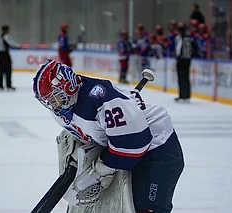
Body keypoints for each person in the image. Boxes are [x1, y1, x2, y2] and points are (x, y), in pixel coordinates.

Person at [32, 59, 185, 213]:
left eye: (54, 96)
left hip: (158, 150)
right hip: (129, 152)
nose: (52, 103)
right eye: (47, 100)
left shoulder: (100, 99)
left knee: (147, 209)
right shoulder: (62, 108)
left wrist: (100, 172)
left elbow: (135, 143)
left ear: (68, 87)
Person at [175, 23, 199, 102]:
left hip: (185, 59)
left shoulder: (188, 39)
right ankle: (182, 95)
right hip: (180, 59)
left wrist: (191, 55)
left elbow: (195, 48)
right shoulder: (178, 38)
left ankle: (186, 95)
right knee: (180, 77)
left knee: (185, 77)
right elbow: (177, 48)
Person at [0, 25, 21, 91]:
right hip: (4, 55)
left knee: (1, 70)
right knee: (8, 70)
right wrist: (19, 47)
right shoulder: (6, 36)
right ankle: (8, 85)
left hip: (0, 54)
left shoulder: (0, 37)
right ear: (6, 30)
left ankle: (0, 85)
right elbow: (11, 43)